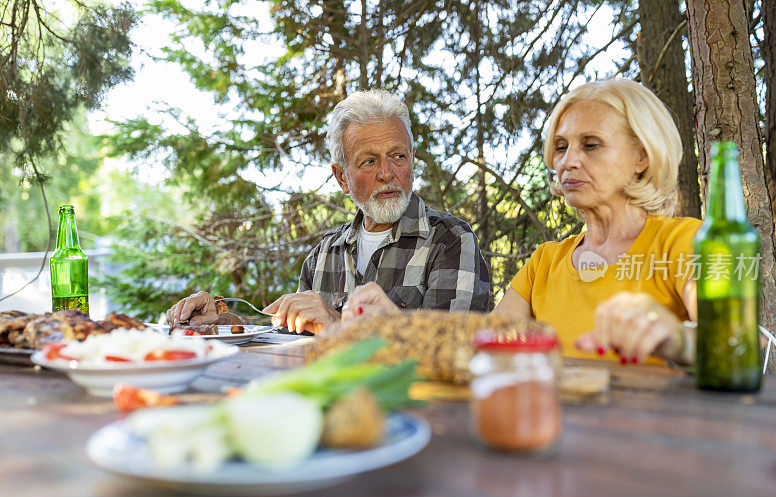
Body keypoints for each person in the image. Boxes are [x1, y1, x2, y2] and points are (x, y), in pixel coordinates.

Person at [344, 79, 702, 365]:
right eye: (561, 147)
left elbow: (736, 347)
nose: (568, 161)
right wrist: (395, 322)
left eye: (591, 145)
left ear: (642, 155)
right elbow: (479, 346)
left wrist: (677, 337)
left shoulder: (687, 243)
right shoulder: (546, 262)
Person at [166, 90, 491, 333]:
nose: (387, 173)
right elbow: (286, 334)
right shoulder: (323, 254)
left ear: (412, 161)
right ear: (341, 178)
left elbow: (458, 345)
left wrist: (338, 325)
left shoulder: (450, 240)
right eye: (369, 160)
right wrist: (222, 322)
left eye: (398, 156)